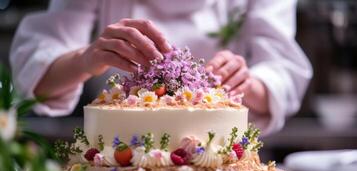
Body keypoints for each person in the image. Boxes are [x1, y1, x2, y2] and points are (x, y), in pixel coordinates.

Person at [10, 0, 312, 134]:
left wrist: (244, 82)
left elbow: (283, 71)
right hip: (119, 165)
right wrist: (86, 59)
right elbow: (37, 77)